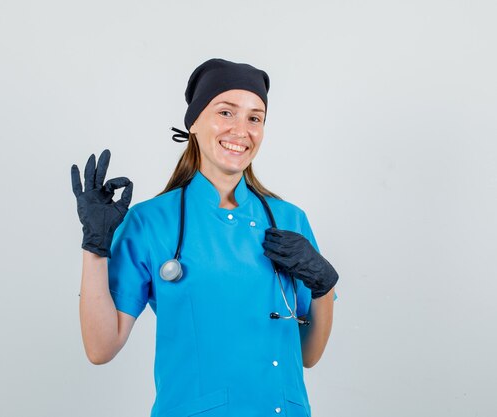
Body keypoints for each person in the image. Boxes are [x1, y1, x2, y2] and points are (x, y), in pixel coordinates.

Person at [71, 58, 339, 417]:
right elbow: (100, 348)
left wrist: (324, 285)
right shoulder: (151, 222)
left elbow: (308, 356)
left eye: (254, 118)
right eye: (226, 113)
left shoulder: (290, 220)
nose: (241, 130)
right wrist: (94, 247)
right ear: (194, 122)